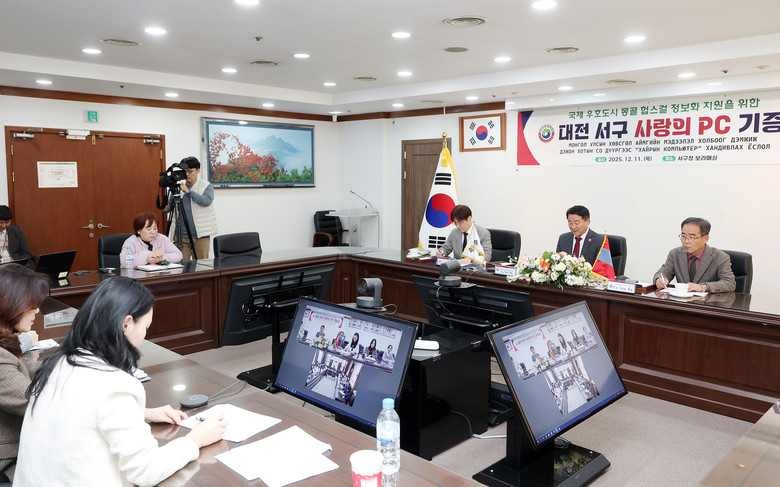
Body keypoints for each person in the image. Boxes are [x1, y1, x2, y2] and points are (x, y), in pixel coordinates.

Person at [15, 277, 227, 486]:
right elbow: (146, 472)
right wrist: (195, 440)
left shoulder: (58, 362)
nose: (145, 335)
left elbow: (83, 411)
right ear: (127, 324)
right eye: (146, 327)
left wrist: (142, 413)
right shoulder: (116, 384)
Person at [0, 264, 49, 483]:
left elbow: (30, 368)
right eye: (33, 305)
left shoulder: (5, 343)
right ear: (12, 304)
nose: (37, 311)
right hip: (9, 461)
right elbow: (37, 404)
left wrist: (72, 367)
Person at [653, 217, 736, 294]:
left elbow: (729, 283)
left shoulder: (720, 257)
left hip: (707, 303)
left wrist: (702, 287)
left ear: (705, 238)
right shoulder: (675, 254)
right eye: (683, 236)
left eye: (692, 237)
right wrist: (660, 279)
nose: (686, 241)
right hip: (682, 302)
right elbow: (664, 271)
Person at [167, 156, 217, 261]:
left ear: (198, 171)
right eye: (185, 171)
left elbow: (206, 201)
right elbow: (169, 207)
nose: (187, 174)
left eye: (190, 171)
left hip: (201, 236)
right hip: (180, 236)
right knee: (180, 266)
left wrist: (189, 192)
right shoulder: (178, 186)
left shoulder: (206, 186)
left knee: (201, 266)